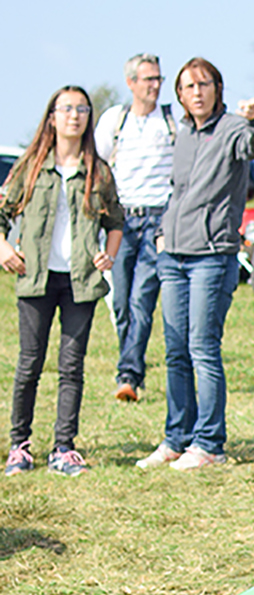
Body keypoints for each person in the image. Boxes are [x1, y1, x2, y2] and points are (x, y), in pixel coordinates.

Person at [138, 57, 254, 471]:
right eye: (188, 86)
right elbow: (176, 190)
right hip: (172, 254)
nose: (196, 92)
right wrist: (161, 236)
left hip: (211, 256)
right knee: (175, 350)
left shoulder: (231, 129)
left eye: (204, 84)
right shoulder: (182, 133)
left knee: (202, 348)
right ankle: (177, 438)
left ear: (217, 88)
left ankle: (209, 443)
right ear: (179, 94)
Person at [1, 87, 124, 478]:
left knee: (72, 366)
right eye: (67, 108)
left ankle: (63, 449)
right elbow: (2, 213)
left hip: (80, 282)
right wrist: (3, 248)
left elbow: (115, 221)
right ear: (52, 116)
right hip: (36, 278)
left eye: (82, 109)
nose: (75, 115)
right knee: (29, 364)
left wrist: (111, 253)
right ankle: (19, 447)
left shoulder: (99, 171)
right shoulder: (30, 166)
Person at [96, 53, 173, 404]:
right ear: (131, 83)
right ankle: (130, 361)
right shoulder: (116, 119)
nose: (155, 85)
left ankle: (129, 375)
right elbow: (97, 165)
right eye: (147, 79)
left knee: (143, 297)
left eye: (157, 78)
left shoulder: (172, 121)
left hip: (158, 218)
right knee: (121, 302)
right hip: (121, 220)